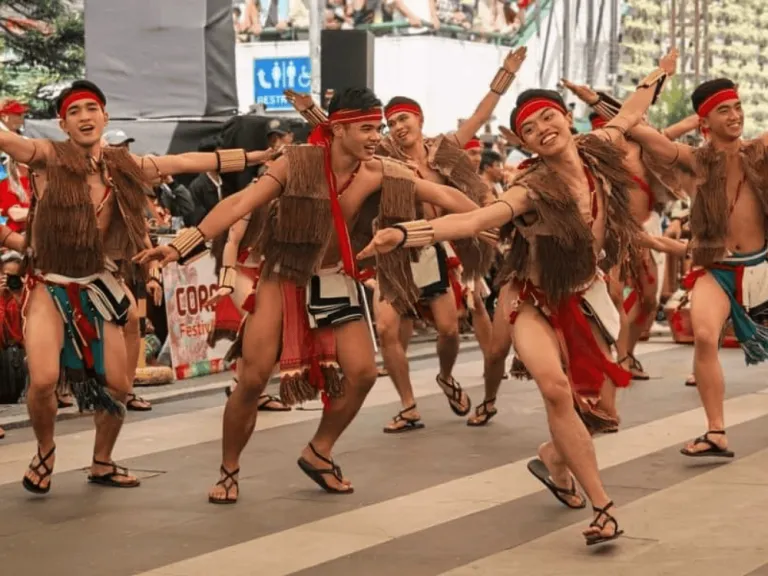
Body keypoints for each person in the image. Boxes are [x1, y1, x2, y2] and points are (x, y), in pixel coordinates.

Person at [358, 50, 683, 544]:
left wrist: (660, 73)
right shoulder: (530, 187)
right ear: (524, 143)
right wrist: (405, 235)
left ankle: (555, 458)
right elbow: (474, 220)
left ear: (566, 119)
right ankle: (602, 508)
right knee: (555, 389)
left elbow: (633, 110)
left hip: (585, 294)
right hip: (529, 298)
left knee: (601, 411)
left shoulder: (599, 148)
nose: (543, 129)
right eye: (530, 129)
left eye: (549, 117)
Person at [134, 87, 481, 503]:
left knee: (364, 374)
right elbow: (241, 202)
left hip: (335, 277)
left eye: (379, 128)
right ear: (338, 129)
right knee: (253, 379)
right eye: (367, 128)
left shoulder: (379, 171)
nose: (377, 136)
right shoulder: (295, 163)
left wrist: (491, 216)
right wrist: (180, 246)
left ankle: (320, 450)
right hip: (283, 276)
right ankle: (229, 468)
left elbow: (443, 196)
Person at [0, 79, 272, 495]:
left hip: (103, 284)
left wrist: (256, 156)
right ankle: (44, 449)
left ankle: (102, 461)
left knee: (118, 387)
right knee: (42, 379)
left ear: (105, 117)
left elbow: (184, 162)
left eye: (92, 109)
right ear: (62, 123)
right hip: (50, 285)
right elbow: (7, 140)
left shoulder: (124, 166)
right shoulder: (46, 157)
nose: (85, 117)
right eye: (75, 112)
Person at [374, 47, 526, 432]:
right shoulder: (382, 156)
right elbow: (343, 136)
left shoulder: (444, 148)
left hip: (432, 247)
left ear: (419, 117)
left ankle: (445, 376)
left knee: (448, 329)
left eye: (403, 118)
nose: (397, 127)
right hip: (394, 250)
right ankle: (408, 406)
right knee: (387, 328)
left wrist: (504, 75)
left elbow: (479, 114)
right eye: (391, 123)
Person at [626, 77, 768, 459]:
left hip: (761, 271)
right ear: (704, 121)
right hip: (717, 271)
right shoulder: (692, 160)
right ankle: (716, 431)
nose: (735, 115)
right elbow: (637, 130)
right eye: (724, 110)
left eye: (737, 106)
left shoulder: (760, 150)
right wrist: (652, 81)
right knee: (705, 336)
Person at [0, 99, 32, 234]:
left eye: (22, 114)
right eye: (17, 114)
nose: (21, 118)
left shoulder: (18, 136)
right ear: (4, 116)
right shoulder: (6, 136)